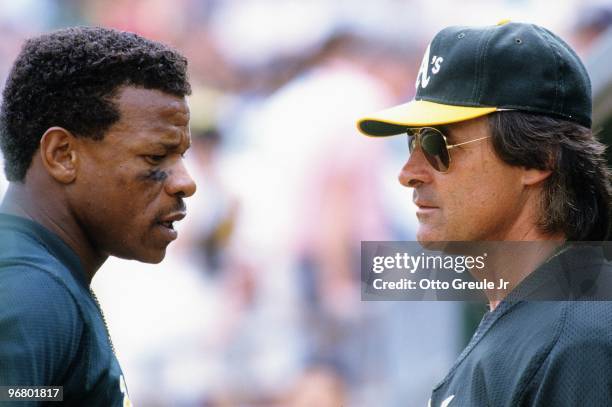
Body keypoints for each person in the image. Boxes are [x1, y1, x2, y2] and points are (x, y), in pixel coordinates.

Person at [357, 21, 612, 406]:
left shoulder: (579, 342)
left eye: (437, 142)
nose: (408, 173)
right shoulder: (540, 320)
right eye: (412, 140)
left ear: (538, 157)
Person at [0, 27, 196, 406]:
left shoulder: (40, 276)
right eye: (156, 157)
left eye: (182, 156)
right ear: (62, 155)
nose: (185, 183)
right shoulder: (30, 292)